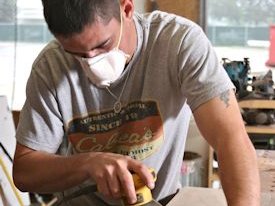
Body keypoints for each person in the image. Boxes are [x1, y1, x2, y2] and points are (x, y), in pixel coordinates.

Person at [12, 0, 260, 205]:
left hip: (158, 200)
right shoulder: (50, 68)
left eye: (103, 45)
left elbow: (230, 139)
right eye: (76, 54)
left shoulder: (178, 43)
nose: (91, 62)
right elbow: (24, 172)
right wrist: (88, 164)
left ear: (127, 8)